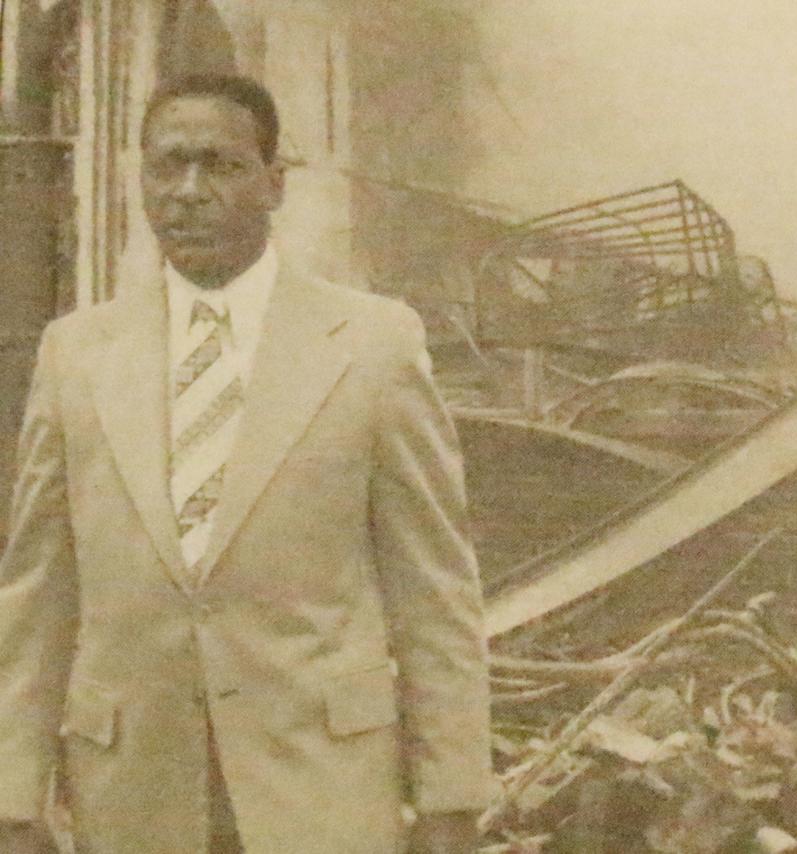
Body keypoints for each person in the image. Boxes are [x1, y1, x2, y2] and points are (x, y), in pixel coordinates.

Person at [0, 74, 491, 853]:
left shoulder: (373, 347)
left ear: (274, 183)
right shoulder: (77, 355)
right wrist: (13, 800)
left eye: (221, 166)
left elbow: (434, 595)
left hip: (320, 794)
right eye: (167, 166)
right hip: (133, 799)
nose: (189, 191)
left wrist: (451, 799)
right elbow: (36, 596)